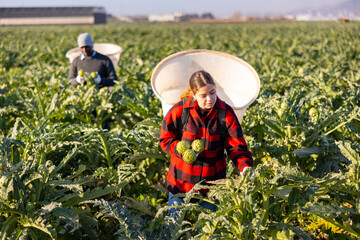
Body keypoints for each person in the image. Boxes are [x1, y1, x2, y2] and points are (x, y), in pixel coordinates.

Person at [159, 70, 254, 218]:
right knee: (174, 226)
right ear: (194, 94)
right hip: (181, 181)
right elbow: (165, 139)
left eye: (212, 92)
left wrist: (245, 166)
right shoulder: (180, 110)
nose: (209, 99)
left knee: (206, 229)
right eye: (203, 96)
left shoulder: (225, 114)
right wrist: (182, 151)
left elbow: (236, 147)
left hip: (212, 185)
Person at [68, 33, 118, 130]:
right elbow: (70, 81)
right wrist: (77, 80)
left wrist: (101, 80)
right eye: (82, 48)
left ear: (92, 45)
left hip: (101, 103)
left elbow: (114, 80)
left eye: (87, 47)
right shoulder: (76, 61)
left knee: (103, 129)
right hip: (83, 103)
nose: (85, 50)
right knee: (84, 130)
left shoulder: (104, 60)